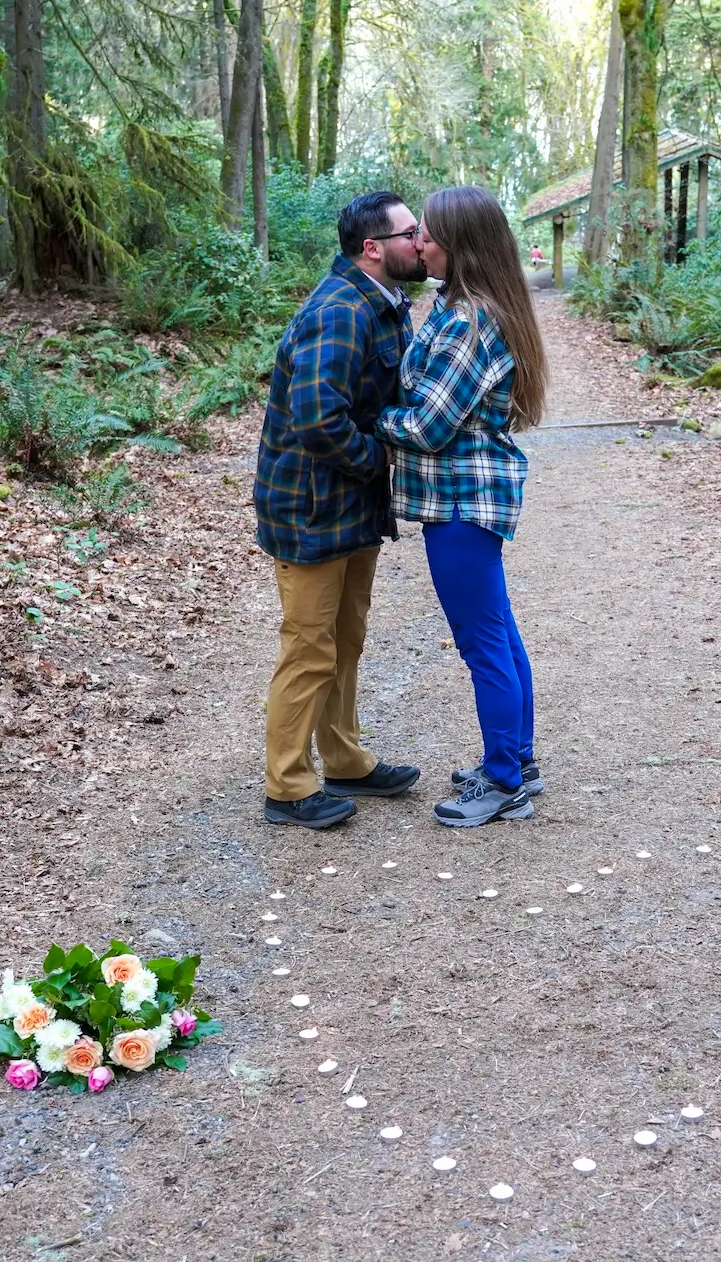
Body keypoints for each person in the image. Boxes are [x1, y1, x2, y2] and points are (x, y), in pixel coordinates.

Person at [252, 191, 428, 829]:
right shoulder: (340, 312)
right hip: (310, 507)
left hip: (351, 503)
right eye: (412, 232)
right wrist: (380, 461)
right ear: (374, 248)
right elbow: (317, 419)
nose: (423, 240)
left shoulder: (383, 305)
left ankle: (345, 758)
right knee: (309, 645)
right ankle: (288, 785)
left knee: (345, 639)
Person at [375, 186, 548, 828]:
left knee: (483, 644)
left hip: (462, 500)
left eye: (426, 233)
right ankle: (518, 761)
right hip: (465, 498)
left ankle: (505, 780)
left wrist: (366, 416)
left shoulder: (473, 321)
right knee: (498, 632)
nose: (417, 242)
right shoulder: (460, 306)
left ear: (458, 243)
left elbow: (427, 425)